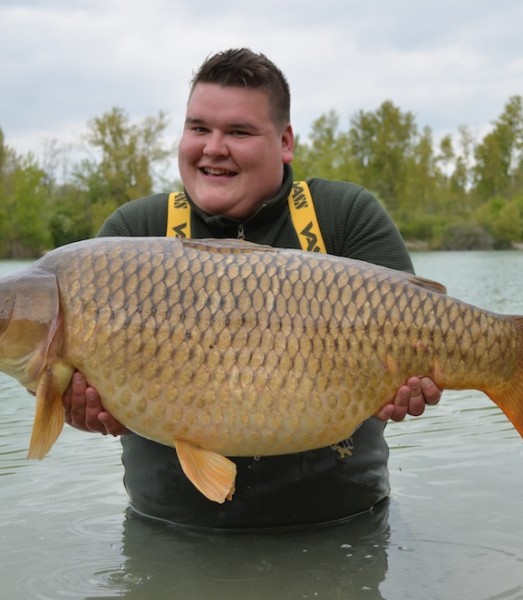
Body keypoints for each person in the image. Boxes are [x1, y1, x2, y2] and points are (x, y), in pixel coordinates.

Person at [63, 48, 442, 529]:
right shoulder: (132, 234)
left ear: (285, 142)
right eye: (199, 128)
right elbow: (88, 393)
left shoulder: (344, 217)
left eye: (238, 132)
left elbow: (420, 339)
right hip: (171, 531)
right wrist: (80, 410)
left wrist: (411, 385)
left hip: (342, 525)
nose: (213, 147)